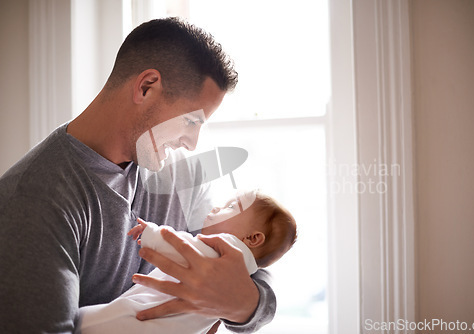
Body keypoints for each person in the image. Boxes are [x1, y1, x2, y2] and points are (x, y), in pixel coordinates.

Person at [0, 18, 276, 333]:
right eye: (190, 121)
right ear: (146, 87)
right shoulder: (35, 201)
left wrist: (245, 303)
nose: (192, 143)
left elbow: (251, 256)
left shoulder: (181, 177)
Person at [78, 190, 297, 334]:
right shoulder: (243, 266)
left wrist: (152, 234)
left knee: (86, 322)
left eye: (230, 207)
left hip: (146, 315)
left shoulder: (224, 247)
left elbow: (181, 244)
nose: (215, 209)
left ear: (253, 238)